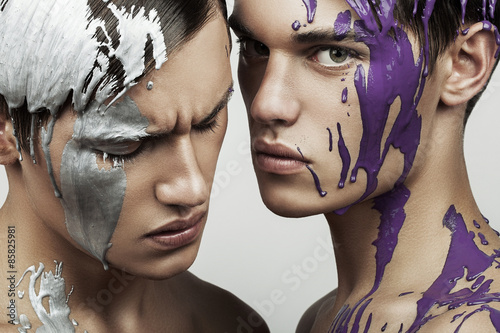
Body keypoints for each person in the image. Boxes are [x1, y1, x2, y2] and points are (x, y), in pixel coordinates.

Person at [230, 0, 500, 331]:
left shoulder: (473, 324)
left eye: (334, 54)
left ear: (463, 65)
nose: (265, 105)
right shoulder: (324, 318)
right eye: (255, 47)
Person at [0, 0, 269, 332]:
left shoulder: (230, 322)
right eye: (124, 146)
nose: (193, 189)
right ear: (5, 129)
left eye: (208, 121)